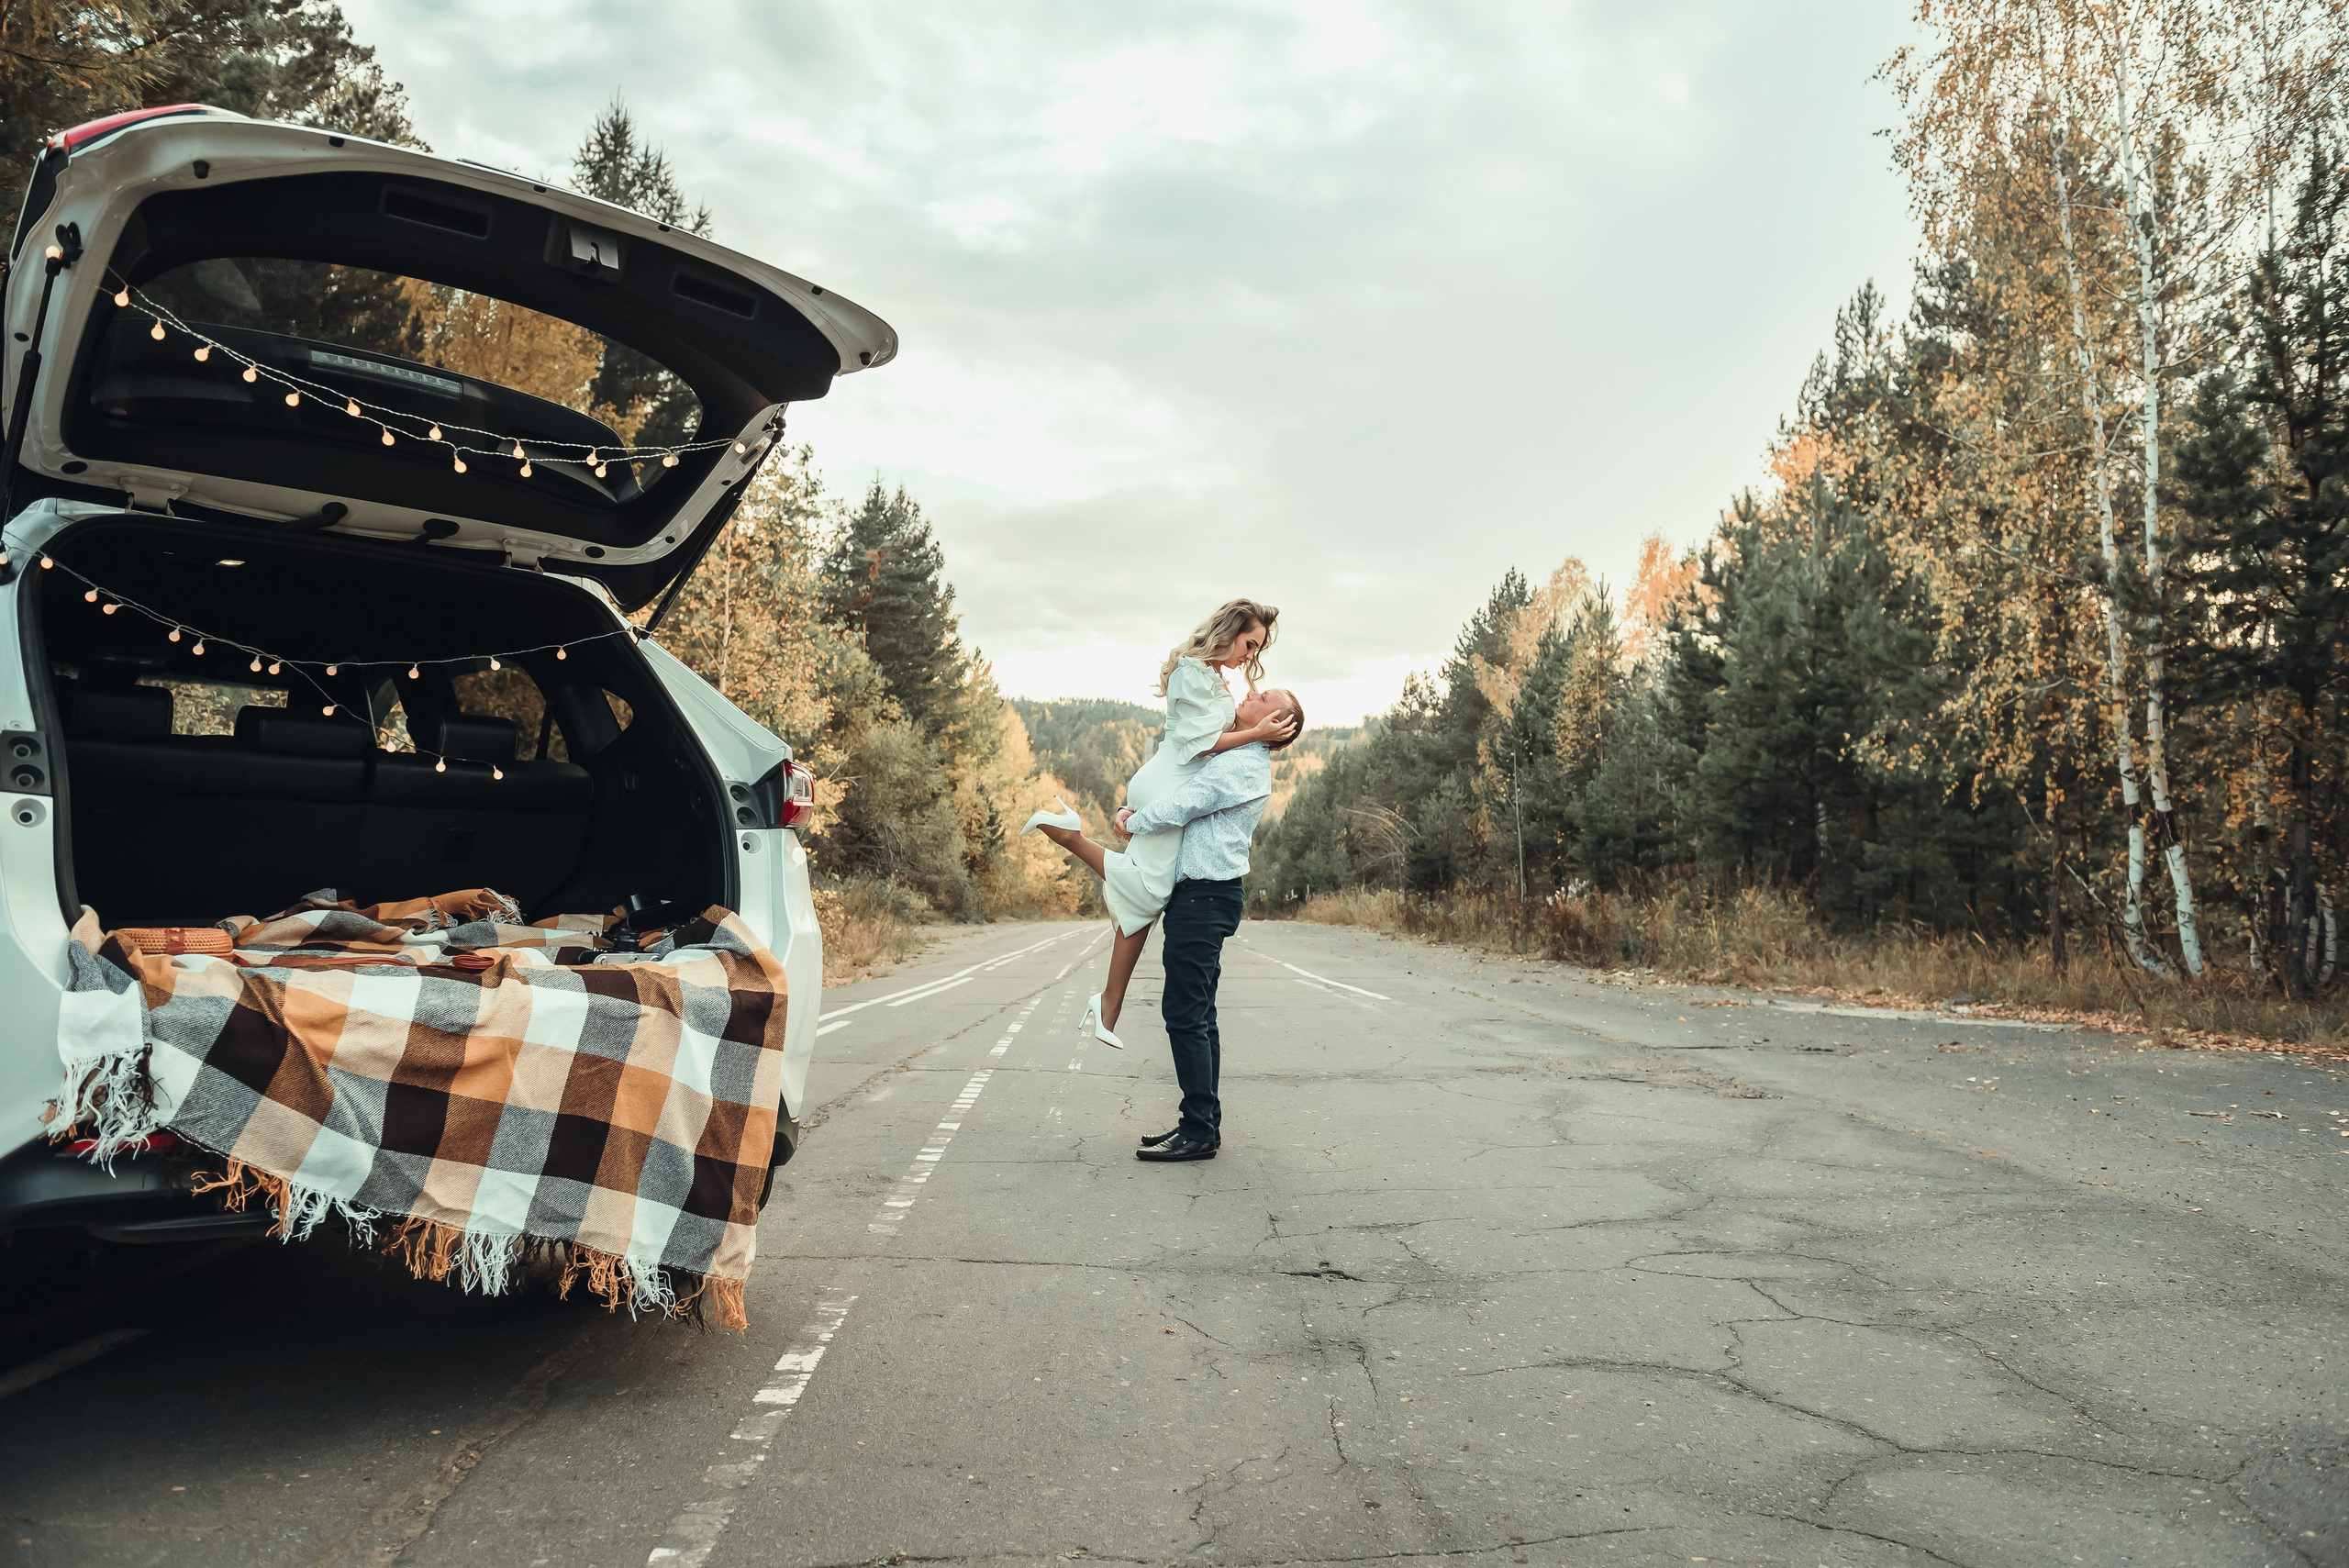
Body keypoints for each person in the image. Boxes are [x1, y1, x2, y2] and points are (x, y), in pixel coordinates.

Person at [1026, 685, 1305, 1161]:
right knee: (1200, 1014)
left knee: (1184, 1013)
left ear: (1276, 723)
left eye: (1263, 696)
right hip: (1199, 894)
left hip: (1206, 896)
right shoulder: (1232, 749)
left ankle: (1197, 1130)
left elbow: (1185, 803)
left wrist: (1132, 823)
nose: (1251, 692)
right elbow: (1174, 778)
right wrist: (1128, 810)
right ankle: (1203, 1124)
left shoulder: (1244, 764)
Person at [1020, 599, 1294, 1048]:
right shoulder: (1192, 670)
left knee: (1150, 890)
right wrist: (1256, 734)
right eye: (1249, 644)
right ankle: (1071, 838)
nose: (1250, 657)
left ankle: (1109, 1005)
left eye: (1256, 649)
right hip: (1172, 781)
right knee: (1148, 890)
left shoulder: (1209, 675)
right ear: (1229, 631)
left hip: (1170, 781)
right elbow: (1200, 744)